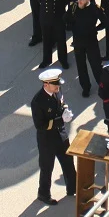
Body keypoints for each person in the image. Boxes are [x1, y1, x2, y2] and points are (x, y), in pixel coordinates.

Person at [31, 68, 76, 205]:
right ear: (46, 84)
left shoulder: (57, 90)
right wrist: (60, 120)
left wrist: (65, 110)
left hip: (60, 134)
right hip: (47, 139)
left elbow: (62, 102)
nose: (58, 87)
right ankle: (43, 194)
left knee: (68, 162)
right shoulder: (37, 101)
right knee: (47, 167)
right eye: (55, 84)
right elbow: (40, 125)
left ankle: (72, 188)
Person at [65, 0, 104, 97]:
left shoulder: (95, 9)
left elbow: (105, 21)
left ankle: (102, 85)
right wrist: (73, 25)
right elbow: (65, 19)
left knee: (96, 65)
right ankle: (86, 87)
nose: (79, 1)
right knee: (81, 66)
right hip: (78, 42)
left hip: (91, 42)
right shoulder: (74, 7)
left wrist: (95, 29)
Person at [37, 0, 71, 70]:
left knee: (61, 40)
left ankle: (63, 60)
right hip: (45, 16)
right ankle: (46, 60)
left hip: (58, 17)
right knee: (46, 39)